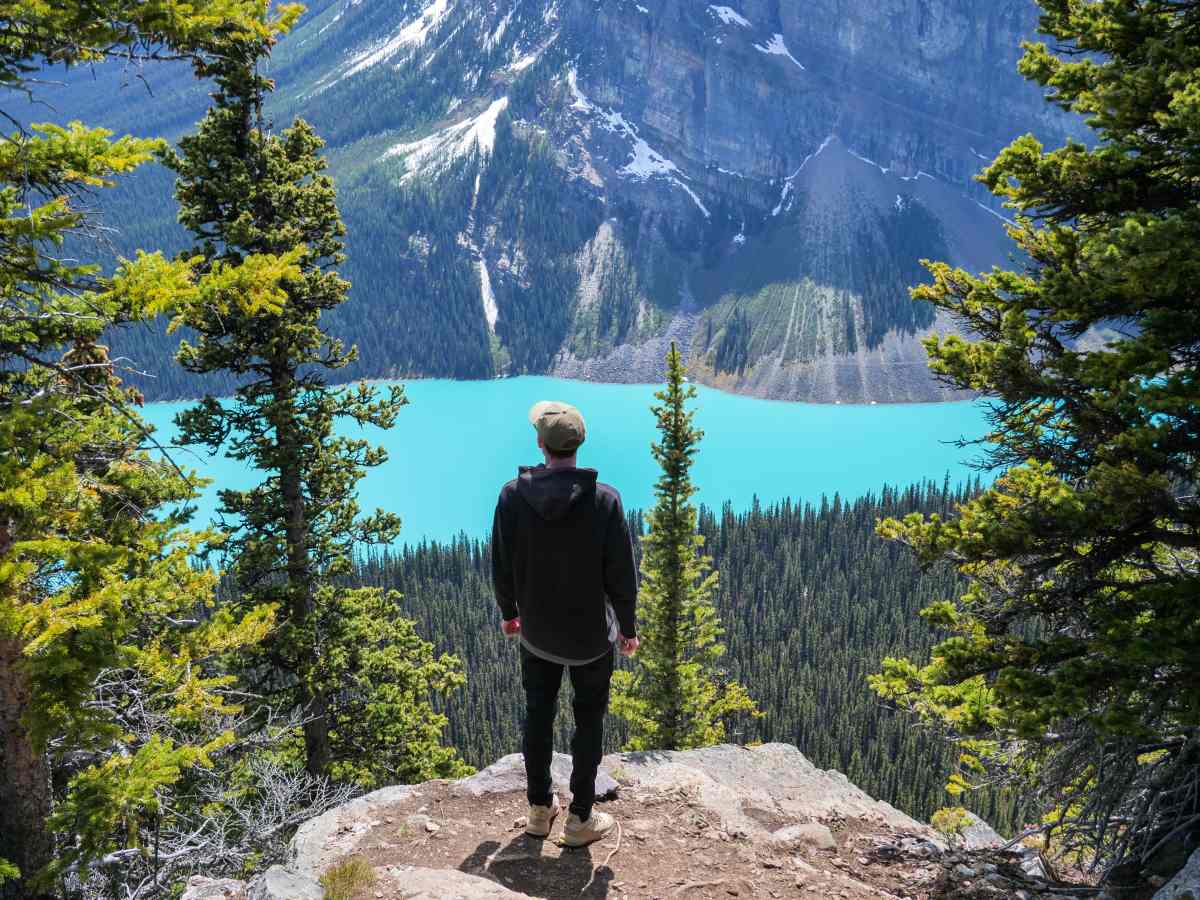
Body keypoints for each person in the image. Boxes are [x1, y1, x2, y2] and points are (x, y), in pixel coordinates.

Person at [491, 400, 640, 847]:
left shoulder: (513, 496)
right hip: (592, 638)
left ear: (541, 444)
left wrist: (509, 614)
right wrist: (628, 629)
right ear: (579, 444)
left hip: (537, 634)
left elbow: (501, 564)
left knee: (538, 715)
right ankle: (579, 819)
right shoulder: (604, 500)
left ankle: (539, 810)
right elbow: (621, 576)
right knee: (588, 721)